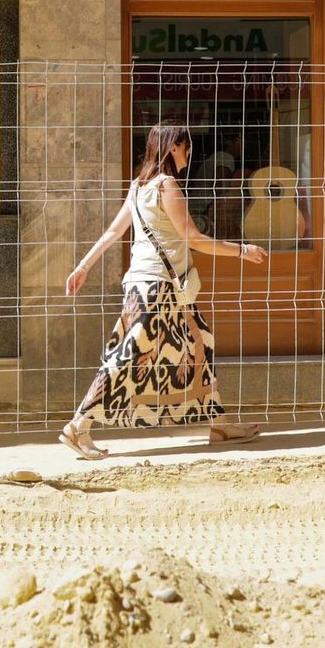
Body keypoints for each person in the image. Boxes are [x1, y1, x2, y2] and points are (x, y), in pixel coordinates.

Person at [61, 121, 269, 460]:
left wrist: (83, 266)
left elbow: (113, 232)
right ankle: (78, 426)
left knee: (198, 344)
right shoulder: (167, 185)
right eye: (186, 145)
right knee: (128, 356)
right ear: (173, 147)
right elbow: (194, 239)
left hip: (145, 284)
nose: (190, 152)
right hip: (159, 288)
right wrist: (242, 250)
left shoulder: (139, 185)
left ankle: (218, 424)